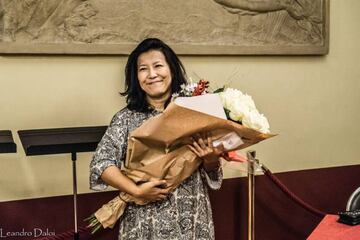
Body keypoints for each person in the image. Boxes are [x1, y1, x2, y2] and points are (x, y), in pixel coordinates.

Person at [90, 38, 224, 240]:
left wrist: (211, 158)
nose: (152, 74)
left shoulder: (194, 110)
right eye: (143, 69)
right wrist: (137, 191)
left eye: (158, 66)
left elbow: (212, 172)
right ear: (136, 77)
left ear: (171, 69)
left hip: (193, 219)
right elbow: (101, 164)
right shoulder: (125, 118)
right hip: (145, 223)